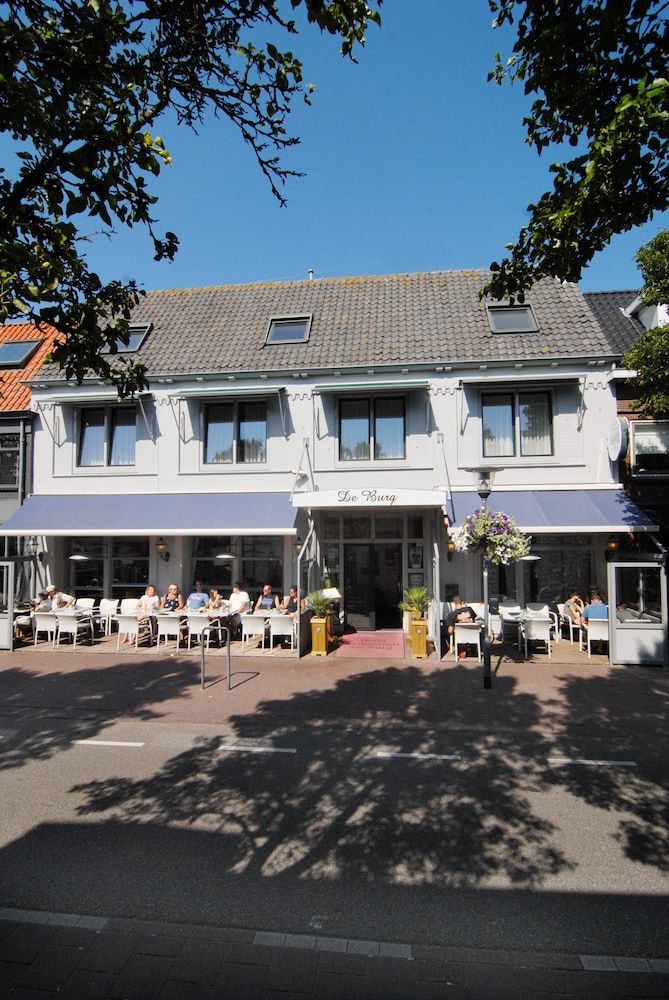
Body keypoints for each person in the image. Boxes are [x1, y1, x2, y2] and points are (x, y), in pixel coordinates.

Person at [445, 594, 477, 659]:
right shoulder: (470, 610)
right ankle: (471, 648)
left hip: (459, 637)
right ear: (462, 602)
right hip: (472, 636)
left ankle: (460, 648)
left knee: (448, 631)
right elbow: (473, 621)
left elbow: (450, 631)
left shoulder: (452, 615)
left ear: (454, 603)